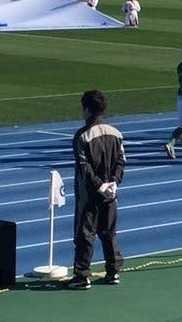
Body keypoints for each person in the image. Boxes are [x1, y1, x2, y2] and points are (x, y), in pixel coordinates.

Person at [67, 90, 125, 289]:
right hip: (111, 193)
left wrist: (100, 186)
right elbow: (121, 161)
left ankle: (82, 275)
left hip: (89, 195)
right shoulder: (116, 134)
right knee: (109, 232)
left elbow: (84, 168)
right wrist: (114, 183)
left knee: (85, 233)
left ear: (87, 109)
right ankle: (113, 271)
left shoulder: (82, 136)